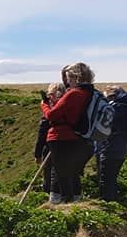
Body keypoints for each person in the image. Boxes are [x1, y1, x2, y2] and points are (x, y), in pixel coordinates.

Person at [41, 62, 96, 204]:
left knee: (60, 172)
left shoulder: (73, 94)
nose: (67, 82)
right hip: (81, 137)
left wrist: (44, 105)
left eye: (68, 78)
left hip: (61, 137)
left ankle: (61, 203)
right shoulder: (92, 93)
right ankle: (75, 201)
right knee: (73, 171)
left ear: (75, 77)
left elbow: (52, 115)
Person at [95, 85, 127, 200]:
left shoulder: (116, 108)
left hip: (112, 146)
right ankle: (113, 196)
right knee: (113, 174)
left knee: (106, 174)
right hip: (125, 145)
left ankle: (107, 200)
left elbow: (107, 126)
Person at [34, 82, 67, 193]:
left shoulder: (49, 110)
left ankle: (50, 195)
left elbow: (42, 133)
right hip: (68, 143)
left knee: (50, 173)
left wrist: (37, 154)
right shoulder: (67, 105)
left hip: (52, 143)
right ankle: (65, 195)